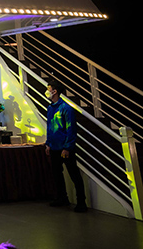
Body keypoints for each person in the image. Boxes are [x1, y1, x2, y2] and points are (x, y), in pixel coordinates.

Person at [45, 81, 87, 212]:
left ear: (55, 91)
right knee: (57, 174)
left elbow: (71, 129)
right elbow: (50, 128)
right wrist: (48, 144)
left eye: (48, 89)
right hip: (53, 147)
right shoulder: (50, 108)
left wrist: (67, 147)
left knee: (74, 175)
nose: (46, 91)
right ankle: (62, 198)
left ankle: (81, 202)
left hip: (65, 147)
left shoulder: (66, 108)